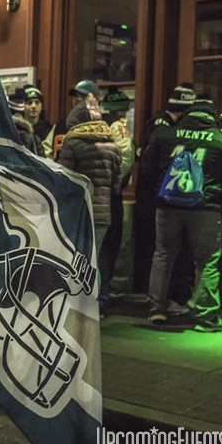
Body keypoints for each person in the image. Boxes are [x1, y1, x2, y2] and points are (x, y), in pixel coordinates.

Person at [140, 96, 222, 331]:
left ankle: (157, 309)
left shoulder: (166, 135)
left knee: (163, 254)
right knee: (206, 260)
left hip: (168, 205)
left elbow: (146, 168)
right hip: (206, 207)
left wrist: (157, 194)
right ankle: (205, 316)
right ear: (212, 115)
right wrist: (219, 200)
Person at [131, 83, 196, 298]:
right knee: (161, 250)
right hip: (157, 196)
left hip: (157, 195)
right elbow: (150, 165)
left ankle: (157, 297)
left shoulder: (159, 124)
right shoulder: (163, 127)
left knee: (161, 251)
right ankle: (162, 296)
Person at [56, 101, 123, 309]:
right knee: (94, 261)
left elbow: (64, 180)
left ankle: (76, 308)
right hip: (103, 214)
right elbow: (117, 185)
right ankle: (94, 306)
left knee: (76, 260)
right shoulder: (112, 146)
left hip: (78, 213)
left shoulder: (73, 143)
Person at [98, 88, 136, 305]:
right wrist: (117, 182)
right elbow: (124, 162)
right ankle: (103, 294)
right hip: (112, 195)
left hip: (99, 193)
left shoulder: (104, 128)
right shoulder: (119, 129)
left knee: (102, 246)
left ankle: (100, 294)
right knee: (108, 246)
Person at [48, 79, 101, 159]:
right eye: (75, 96)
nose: (78, 99)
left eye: (84, 96)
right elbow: (47, 152)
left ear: (96, 99)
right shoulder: (60, 125)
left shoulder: (105, 125)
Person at [22, 86, 53, 153]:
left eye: (37, 102)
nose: (33, 106)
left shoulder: (48, 129)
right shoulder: (18, 129)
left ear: (42, 106)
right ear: (23, 106)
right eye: (29, 103)